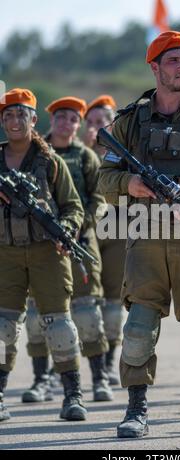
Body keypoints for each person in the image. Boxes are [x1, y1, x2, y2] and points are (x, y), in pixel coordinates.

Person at [98, 30, 180, 438]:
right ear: (155, 67)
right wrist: (131, 186)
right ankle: (136, 409)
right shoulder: (128, 121)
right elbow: (106, 178)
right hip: (144, 231)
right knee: (138, 328)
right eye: (174, 60)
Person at [0, 88, 87, 421]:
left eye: (20, 114)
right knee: (3, 327)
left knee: (59, 325)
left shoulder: (50, 161)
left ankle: (72, 395)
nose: (14, 121)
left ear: (34, 119)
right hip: (5, 255)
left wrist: (66, 229)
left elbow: (73, 206)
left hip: (46, 252)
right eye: (7, 115)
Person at [22, 96, 113, 404]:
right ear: (51, 120)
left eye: (74, 119)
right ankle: (41, 380)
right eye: (61, 117)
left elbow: (98, 200)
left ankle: (99, 377)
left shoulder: (86, 157)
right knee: (38, 318)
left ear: (79, 124)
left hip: (80, 244)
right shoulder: (34, 154)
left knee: (88, 314)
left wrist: (74, 228)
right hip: (39, 247)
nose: (67, 123)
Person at [84, 95, 126, 385]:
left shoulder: (127, 152)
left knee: (113, 304)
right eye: (91, 122)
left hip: (118, 226)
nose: (97, 127)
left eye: (103, 121)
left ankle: (109, 364)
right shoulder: (73, 154)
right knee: (84, 303)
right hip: (86, 232)